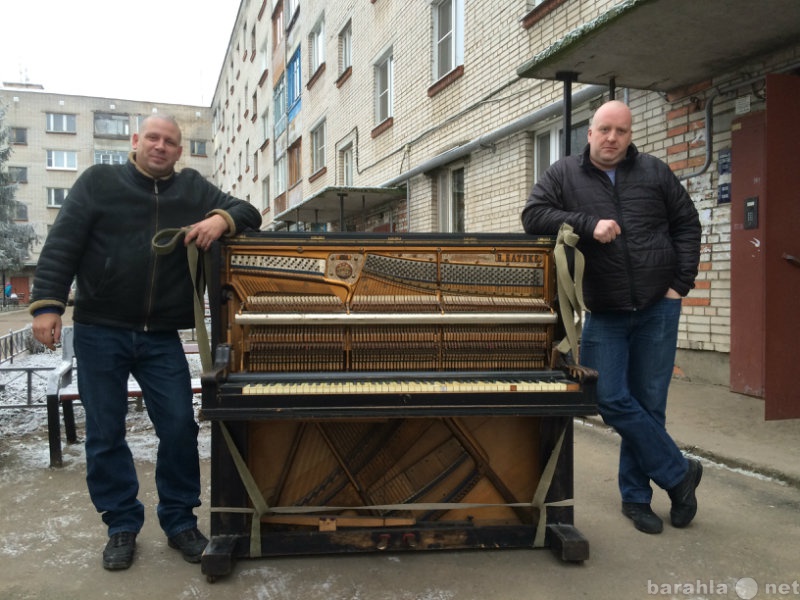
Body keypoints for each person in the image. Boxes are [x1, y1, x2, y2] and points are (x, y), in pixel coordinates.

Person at [29, 114, 262, 569]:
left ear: (179, 151)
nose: (160, 146)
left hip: (160, 337)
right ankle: (121, 525)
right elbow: (62, 243)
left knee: (179, 426)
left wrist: (219, 219)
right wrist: (47, 306)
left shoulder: (193, 188)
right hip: (100, 331)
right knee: (105, 433)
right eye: (152, 138)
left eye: (170, 142)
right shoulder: (98, 182)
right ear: (136, 142)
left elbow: (247, 211)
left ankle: (179, 521)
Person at [521, 100, 702, 535]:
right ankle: (679, 474)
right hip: (604, 309)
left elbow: (687, 224)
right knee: (608, 397)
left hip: (659, 306)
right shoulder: (564, 174)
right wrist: (587, 224)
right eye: (604, 129)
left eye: (621, 131)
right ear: (589, 131)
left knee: (649, 403)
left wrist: (680, 285)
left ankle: (637, 499)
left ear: (630, 134)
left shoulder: (655, 172)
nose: (612, 138)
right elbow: (533, 216)